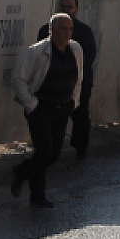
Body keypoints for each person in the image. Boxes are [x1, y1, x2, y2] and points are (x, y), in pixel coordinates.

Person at [11, 14, 86, 209]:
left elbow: (78, 77)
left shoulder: (75, 49)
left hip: (62, 107)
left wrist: (73, 102)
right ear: (51, 30)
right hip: (41, 108)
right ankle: (37, 195)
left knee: (54, 154)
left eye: (69, 29)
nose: (66, 33)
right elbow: (19, 79)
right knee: (44, 150)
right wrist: (31, 104)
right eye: (62, 29)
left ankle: (21, 172)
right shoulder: (36, 52)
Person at [39, 0, 98, 159]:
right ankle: (50, 150)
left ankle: (81, 148)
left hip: (79, 82)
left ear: (76, 9)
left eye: (70, 7)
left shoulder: (84, 32)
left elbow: (90, 56)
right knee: (53, 119)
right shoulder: (46, 30)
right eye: (63, 6)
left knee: (80, 115)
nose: (67, 10)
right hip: (52, 85)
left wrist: (72, 72)